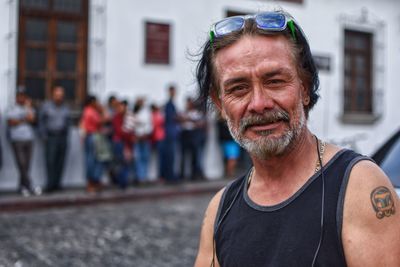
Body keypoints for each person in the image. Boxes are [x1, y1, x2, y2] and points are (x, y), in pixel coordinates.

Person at [194, 10, 400, 267]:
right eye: (239, 88)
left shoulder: (358, 188)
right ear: (220, 105)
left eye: (275, 81)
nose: (259, 104)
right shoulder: (220, 210)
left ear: (304, 87)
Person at [6, 86, 41, 196]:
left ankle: (22, 187)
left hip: (29, 139)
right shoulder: (12, 108)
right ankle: (30, 186)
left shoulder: (28, 108)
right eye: (19, 96)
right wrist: (25, 119)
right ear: (16, 97)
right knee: (21, 163)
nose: (21, 98)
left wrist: (28, 108)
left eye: (23, 96)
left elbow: (33, 119)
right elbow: (11, 122)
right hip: (17, 139)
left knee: (26, 165)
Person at [39, 86, 70, 193]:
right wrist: (43, 136)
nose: (59, 98)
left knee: (60, 161)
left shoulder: (65, 107)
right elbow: (41, 121)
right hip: (51, 136)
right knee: (50, 161)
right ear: (53, 95)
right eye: (57, 95)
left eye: (61, 96)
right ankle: (50, 184)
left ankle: (57, 184)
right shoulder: (46, 106)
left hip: (62, 137)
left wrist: (66, 136)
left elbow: (67, 122)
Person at [161, 85, 180, 182]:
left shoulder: (171, 104)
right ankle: (170, 176)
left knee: (171, 156)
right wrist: (180, 117)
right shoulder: (169, 104)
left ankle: (170, 175)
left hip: (171, 132)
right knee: (170, 156)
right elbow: (171, 117)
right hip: (170, 133)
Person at [132, 97, 153, 184]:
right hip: (137, 138)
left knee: (145, 157)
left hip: (145, 137)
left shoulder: (146, 113)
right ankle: (140, 177)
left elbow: (149, 125)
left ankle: (144, 176)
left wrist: (146, 134)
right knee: (138, 158)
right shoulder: (133, 112)